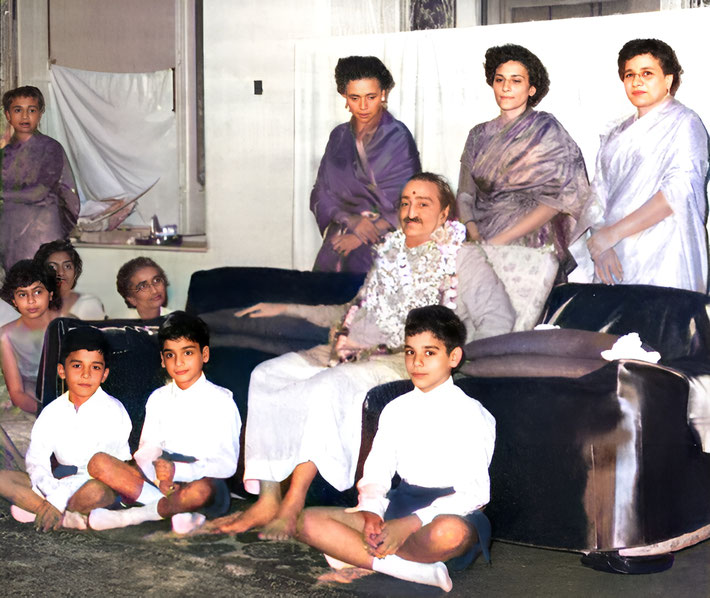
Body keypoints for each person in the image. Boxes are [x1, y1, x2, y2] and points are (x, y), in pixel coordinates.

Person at [207, 173, 514, 540]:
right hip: (344, 349)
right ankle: (268, 499)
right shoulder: (389, 254)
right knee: (266, 374)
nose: (410, 211)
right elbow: (350, 311)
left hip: (398, 359)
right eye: (404, 202)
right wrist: (287, 307)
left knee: (326, 387)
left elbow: (499, 319)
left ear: (445, 212)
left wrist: (454, 360)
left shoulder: (463, 259)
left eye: (423, 203)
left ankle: (294, 503)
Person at [299, 305, 495, 592]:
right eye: (409, 351)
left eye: (429, 352)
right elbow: (377, 474)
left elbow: (475, 494)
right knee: (305, 521)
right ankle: (415, 571)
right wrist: (372, 512)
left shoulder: (472, 414)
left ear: (454, 357)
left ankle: (359, 555)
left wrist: (409, 524)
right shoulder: (395, 409)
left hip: (448, 513)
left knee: (449, 534)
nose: (417, 362)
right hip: (399, 505)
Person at [570, 39, 709, 292]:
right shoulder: (614, 133)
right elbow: (598, 196)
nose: (636, 82)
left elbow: (679, 192)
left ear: (668, 80)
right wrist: (602, 245)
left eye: (647, 73)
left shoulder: (685, 123)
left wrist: (613, 234)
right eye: (629, 74)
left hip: (665, 252)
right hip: (613, 255)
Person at [87, 311, 241, 534]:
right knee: (99, 462)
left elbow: (226, 464)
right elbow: (147, 449)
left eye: (187, 352)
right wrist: (159, 478)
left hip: (202, 479)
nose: (179, 362)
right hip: (160, 479)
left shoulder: (222, 401)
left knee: (199, 492)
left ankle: (135, 515)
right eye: (170, 355)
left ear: (204, 354)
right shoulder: (158, 398)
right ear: (162, 359)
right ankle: (177, 510)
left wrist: (177, 471)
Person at [456, 44, 589, 270]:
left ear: (531, 89)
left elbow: (558, 199)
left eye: (516, 81)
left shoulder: (546, 130)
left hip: (533, 246)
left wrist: (500, 241)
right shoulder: (477, 135)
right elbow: (465, 195)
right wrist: (476, 237)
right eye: (500, 80)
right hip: (482, 243)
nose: (506, 87)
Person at [0, 327, 132, 531]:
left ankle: (45, 511)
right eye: (77, 365)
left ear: (104, 374)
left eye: (95, 368)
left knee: (96, 493)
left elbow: (101, 471)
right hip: (58, 482)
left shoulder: (114, 411)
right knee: (3, 479)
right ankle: (67, 519)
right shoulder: (52, 411)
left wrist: (58, 498)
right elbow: (37, 460)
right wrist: (51, 490)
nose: (86, 374)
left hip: (96, 483)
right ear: (62, 371)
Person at [310, 56, 421, 273]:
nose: (363, 106)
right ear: (344, 96)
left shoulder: (398, 136)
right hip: (341, 233)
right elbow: (320, 192)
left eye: (370, 97)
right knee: (320, 295)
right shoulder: (338, 136)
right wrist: (349, 220)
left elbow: (411, 200)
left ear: (383, 94)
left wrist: (361, 235)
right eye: (354, 97)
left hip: (385, 237)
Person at [0, 86, 80, 270]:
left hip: (42, 231)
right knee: (17, 286)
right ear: (8, 115)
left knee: (43, 284)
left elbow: (38, 193)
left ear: (40, 114)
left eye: (32, 110)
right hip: (12, 232)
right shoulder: (4, 153)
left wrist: (3, 194)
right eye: (18, 110)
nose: (25, 116)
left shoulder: (50, 148)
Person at [0, 260, 61, 413]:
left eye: (38, 292)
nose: (31, 300)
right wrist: (47, 415)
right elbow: (16, 392)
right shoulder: (6, 335)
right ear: (14, 301)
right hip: (34, 403)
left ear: (51, 294)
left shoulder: (66, 324)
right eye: (22, 294)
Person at [34, 240, 106, 320]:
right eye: (52, 267)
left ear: (75, 272)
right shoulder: (30, 305)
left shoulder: (89, 304)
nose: (61, 272)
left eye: (67, 266)